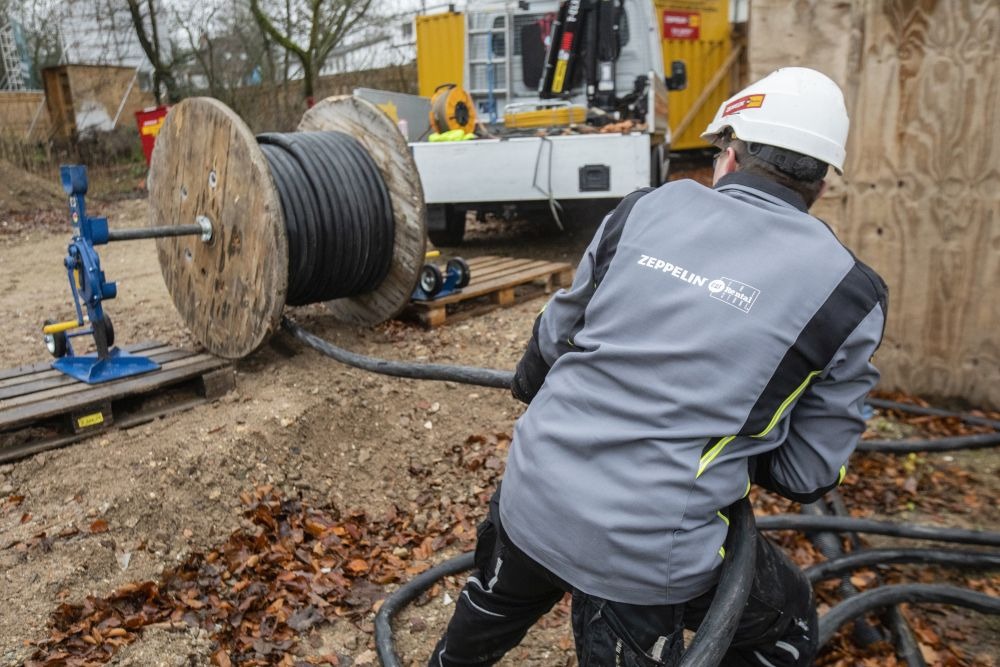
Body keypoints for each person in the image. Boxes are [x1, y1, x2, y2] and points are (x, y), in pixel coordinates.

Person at [429, 67, 888, 667]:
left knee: (491, 613)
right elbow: (806, 476)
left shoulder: (645, 208)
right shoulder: (850, 294)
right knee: (789, 623)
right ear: (823, 184)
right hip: (647, 553)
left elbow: (547, 346)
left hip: (529, 495)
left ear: (730, 151)